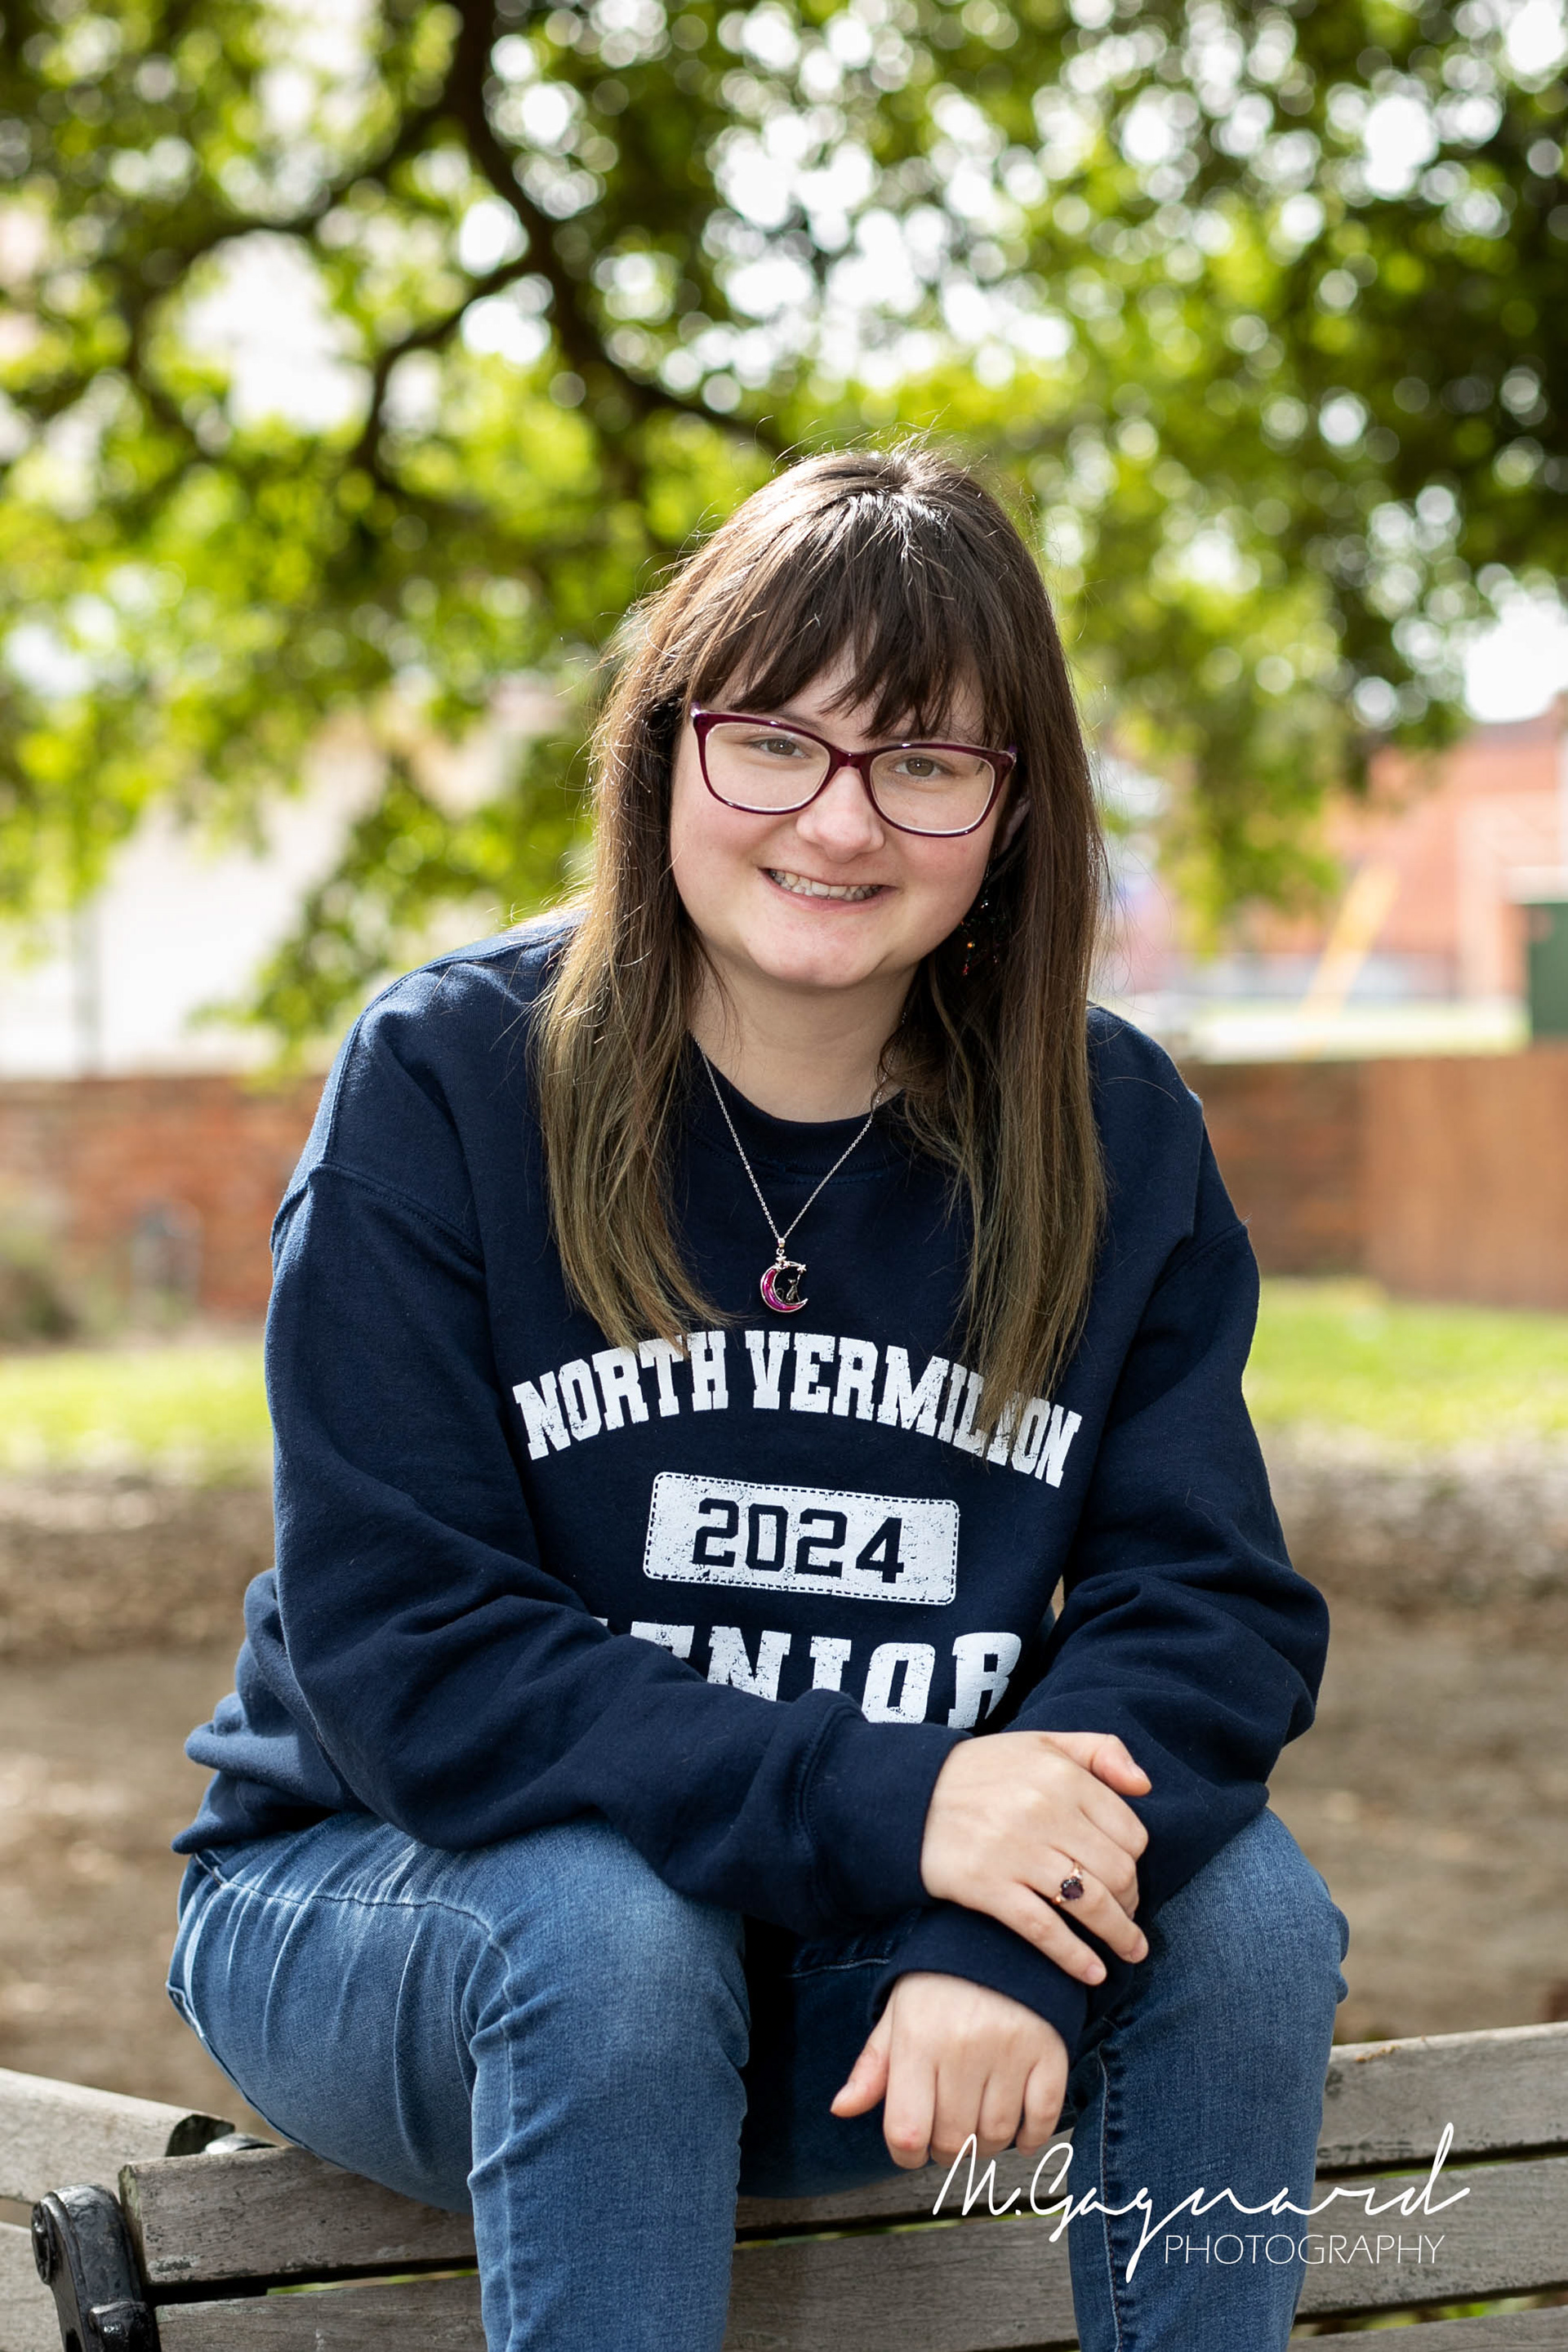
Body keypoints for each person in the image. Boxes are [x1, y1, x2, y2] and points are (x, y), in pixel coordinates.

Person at [167, 441, 1347, 2352]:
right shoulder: (450, 1082)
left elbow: (1202, 1608)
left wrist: (1004, 1926)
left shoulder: (1111, 1132)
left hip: (852, 1978)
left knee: (1251, 1917)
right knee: (614, 1931)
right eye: (775, 741)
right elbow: (412, 1652)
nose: (841, 821)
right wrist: (912, 1806)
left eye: (926, 763)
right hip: (400, 1926)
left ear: (1015, 810)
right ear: (666, 753)